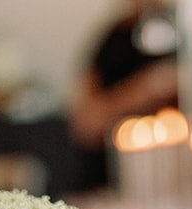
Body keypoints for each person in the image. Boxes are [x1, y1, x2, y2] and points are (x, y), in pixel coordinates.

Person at [69, 2, 179, 189]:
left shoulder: (186, 33)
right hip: (114, 181)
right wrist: (141, 91)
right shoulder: (113, 40)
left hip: (178, 180)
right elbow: (85, 123)